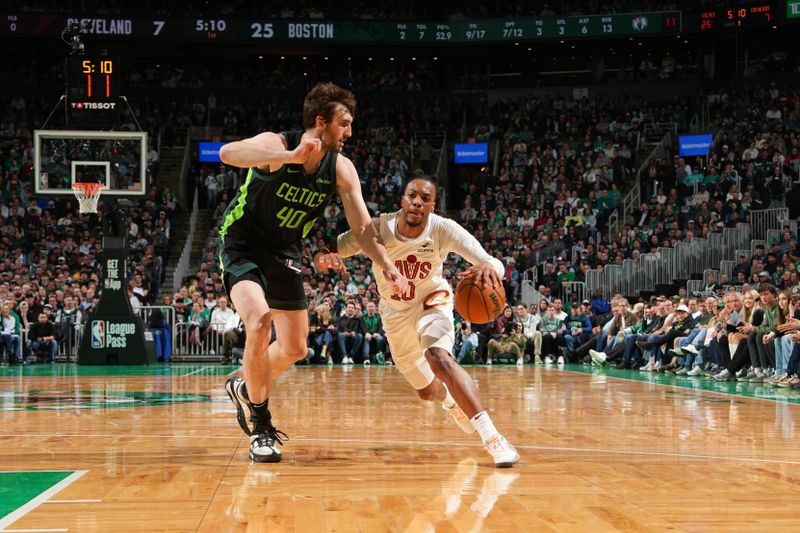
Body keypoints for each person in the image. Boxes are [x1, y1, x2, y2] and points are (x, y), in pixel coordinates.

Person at [220, 82, 407, 463]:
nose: (350, 132)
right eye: (344, 124)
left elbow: (363, 228)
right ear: (320, 122)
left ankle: (245, 385)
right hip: (242, 243)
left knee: (295, 348)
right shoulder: (278, 144)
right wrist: (288, 156)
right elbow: (227, 152)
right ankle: (261, 427)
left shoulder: (341, 169)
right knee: (258, 321)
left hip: (284, 250)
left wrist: (387, 265)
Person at [316, 176, 519, 467]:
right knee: (426, 392)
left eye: (425, 199)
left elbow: (491, 261)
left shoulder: (443, 228)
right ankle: (452, 402)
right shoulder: (377, 228)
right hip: (395, 315)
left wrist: (491, 267)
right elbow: (328, 248)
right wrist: (323, 258)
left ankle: (493, 438)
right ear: (402, 199)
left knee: (438, 357)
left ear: (432, 205)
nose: (417, 202)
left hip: (432, 300)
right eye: (412, 196)